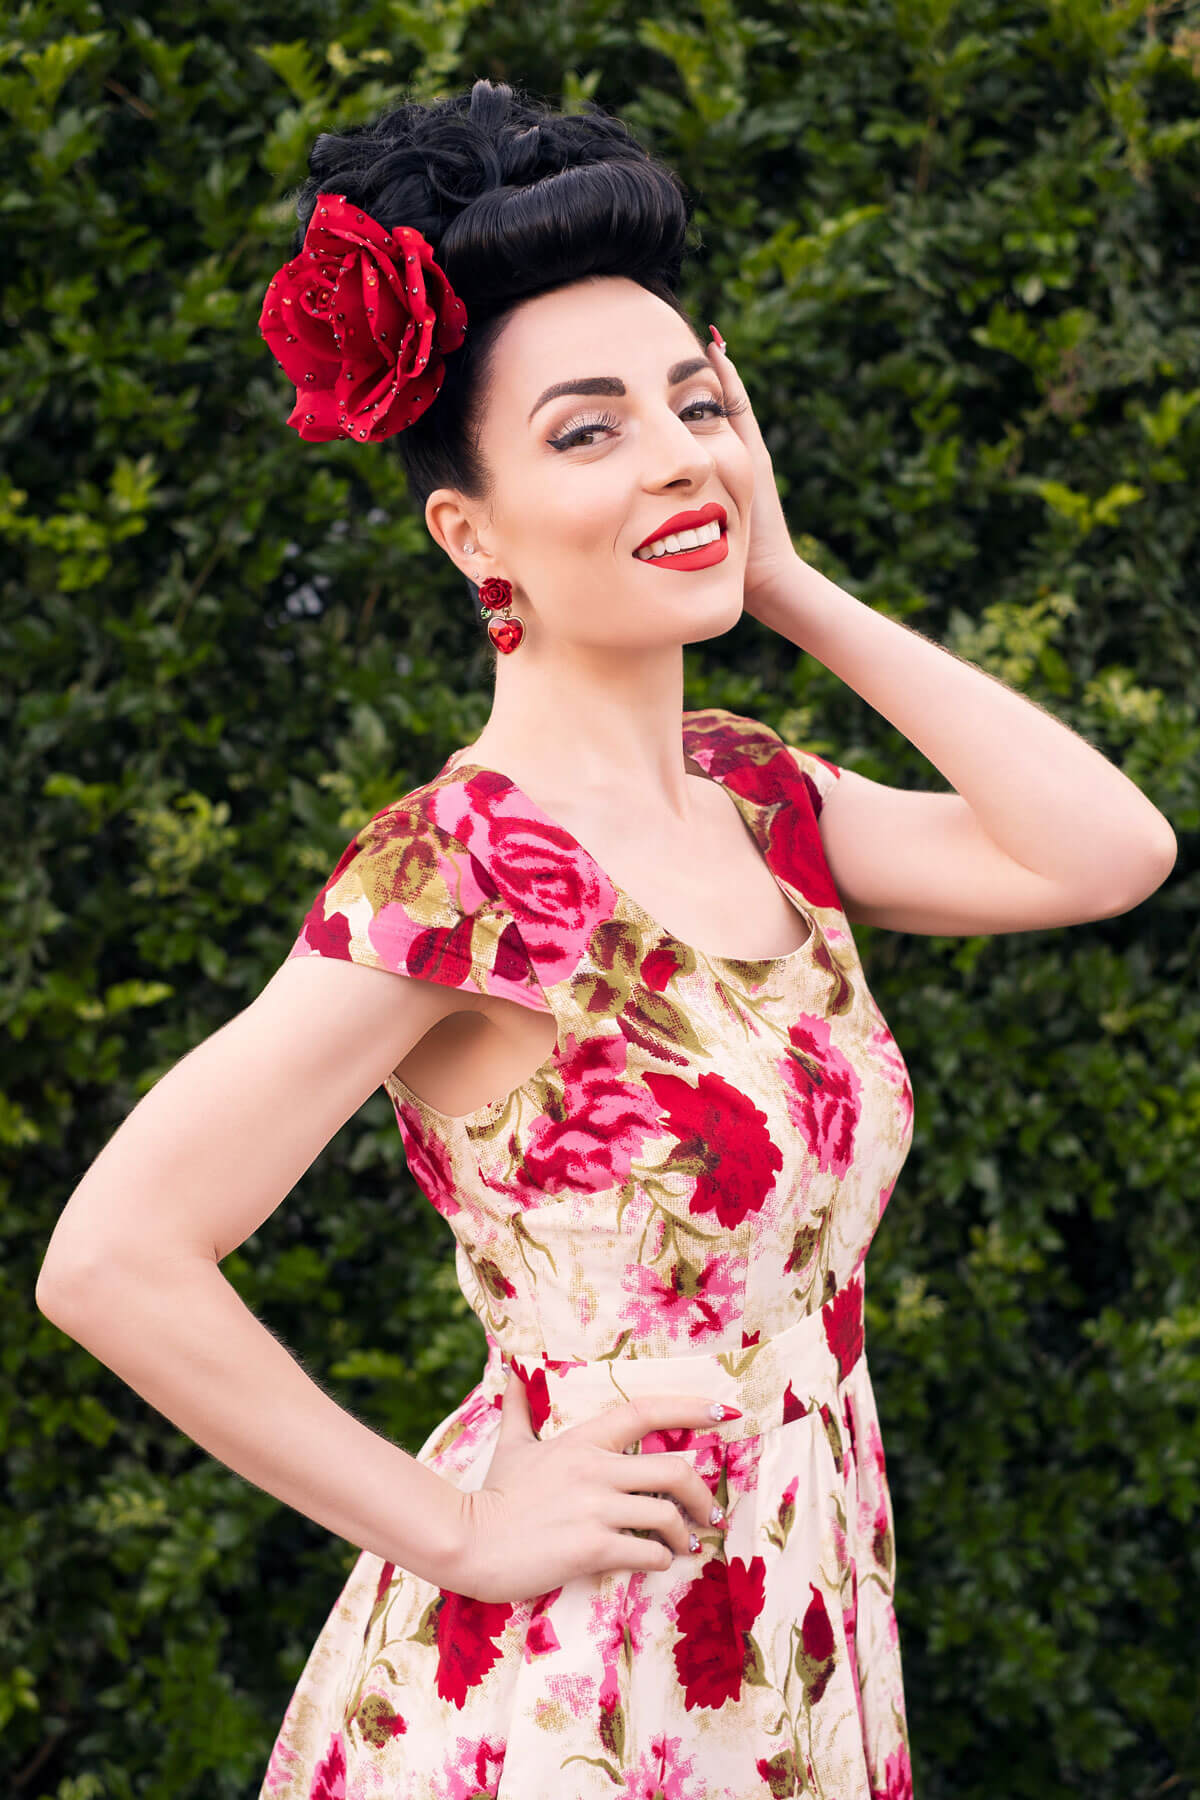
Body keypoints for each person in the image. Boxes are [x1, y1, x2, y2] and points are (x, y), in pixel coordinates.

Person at [36, 76, 1176, 1800]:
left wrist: (781, 577)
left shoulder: (754, 794)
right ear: (469, 531)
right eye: (588, 429)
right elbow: (111, 1258)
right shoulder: (464, 871)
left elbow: (1107, 851)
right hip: (581, 1671)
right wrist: (466, 1530)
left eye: (694, 402)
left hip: (800, 1601)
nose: (672, 455)